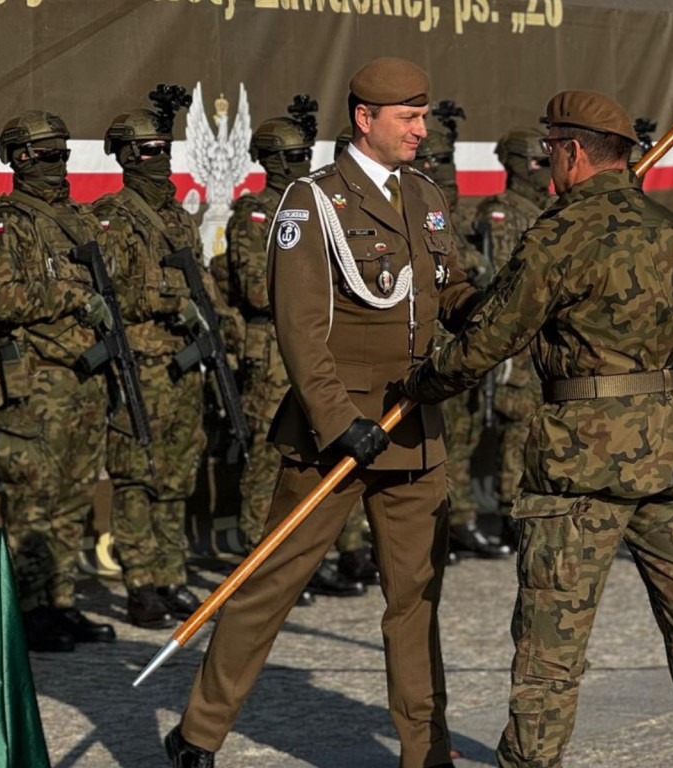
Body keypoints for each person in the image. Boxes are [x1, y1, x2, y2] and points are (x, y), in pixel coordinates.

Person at [403, 90, 673, 768]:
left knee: (551, 642)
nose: (546, 160)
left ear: (572, 150)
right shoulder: (667, 227)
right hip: (669, 449)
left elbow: (491, 341)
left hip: (581, 463)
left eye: (551, 147)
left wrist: (421, 385)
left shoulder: (560, 232)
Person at [166, 57, 478, 768]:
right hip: (333, 436)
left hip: (412, 430)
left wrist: (484, 306)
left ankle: (425, 750)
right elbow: (299, 327)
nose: (420, 129)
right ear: (365, 119)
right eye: (408, 116)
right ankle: (198, 734)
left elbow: (447, 285)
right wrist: (341, 423)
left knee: (416, 600)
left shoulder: (426, 195)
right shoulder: (312, 203)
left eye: (423, 114)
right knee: (268, 586)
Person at [0, 111, 115, 652]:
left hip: (84, 377)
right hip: (37, 381)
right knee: (35, 500)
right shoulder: (3, 219)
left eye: (63, 153)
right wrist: (75, 298)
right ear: (21, 158)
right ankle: (27, 612)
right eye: (48, 154)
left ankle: (61, 601)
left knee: (74, 497)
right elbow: (2, 300)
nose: (59, 164)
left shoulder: (77, 218)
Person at [218, 104, 368, 598]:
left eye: (304, 154)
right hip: (272, 351)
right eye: (289, 157)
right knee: (266, 460)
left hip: (320, 344)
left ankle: (310, 560)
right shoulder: (256, 215)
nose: (299, 164)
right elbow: (259, 291)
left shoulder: (319, 207)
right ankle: (259, 563)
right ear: (268, 161)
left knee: (319, 452)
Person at [93, 99, 221, 629]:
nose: (159, 158)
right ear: (125, 156)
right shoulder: (112, 216)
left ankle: (170, 576)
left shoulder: (177, 215)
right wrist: (176, 302)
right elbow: (114, 289)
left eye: (165, 149)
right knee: (137, 478)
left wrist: (208, 321)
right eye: (148, 149)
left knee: (176, 474)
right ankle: (140, 585)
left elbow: (203, 282)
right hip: (141, 366)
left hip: (182, 366)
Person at [413, 120, 509, 560]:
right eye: (439, 163)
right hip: (426, 341)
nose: (448, 176)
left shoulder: (451, 212)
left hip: (456, 336)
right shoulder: (412, 208)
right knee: (438, 439)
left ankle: (460, 519)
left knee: (465, 432)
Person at [473, 127, 551, 545]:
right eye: (537, 163)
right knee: (518, 428)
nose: (544, 171)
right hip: (517, 339)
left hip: (548, 339)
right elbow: (505, 276)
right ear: (518, 166)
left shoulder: (551, 209)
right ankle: (510, 512)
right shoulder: (500, 212)